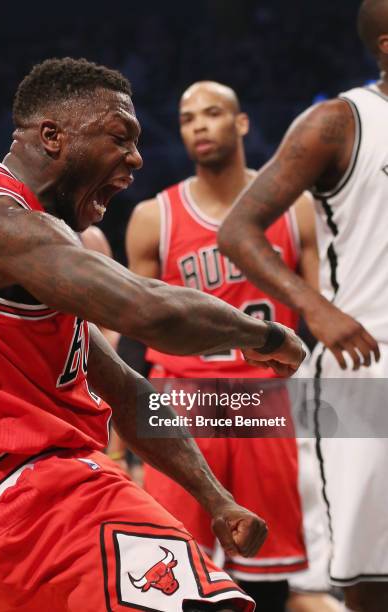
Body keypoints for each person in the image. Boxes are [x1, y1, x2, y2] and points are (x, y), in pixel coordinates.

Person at [0, 57, 305, 612]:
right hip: (34, 499)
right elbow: (148, 310)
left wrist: (216, 500)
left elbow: (125, 390)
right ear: (52, 136)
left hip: (13, 513)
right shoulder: (1, 222)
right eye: (120, 137)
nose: (137, 159)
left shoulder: (33, 257)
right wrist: (263, 335)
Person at [114, 80, 338, 612]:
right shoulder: (154, 217)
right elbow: (128, 330)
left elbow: (323, 306)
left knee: (270, 573)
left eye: (212, 114)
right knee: (172, 568)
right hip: (182, 402)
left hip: (262, 403)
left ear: (240, 124)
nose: (199, 126)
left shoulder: (295, 208)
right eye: (188, 118)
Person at [218, 2, 388, 611]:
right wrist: (314, 307)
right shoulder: (340, 122)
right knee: (364, 567)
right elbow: (239, 229)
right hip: (366, 359)